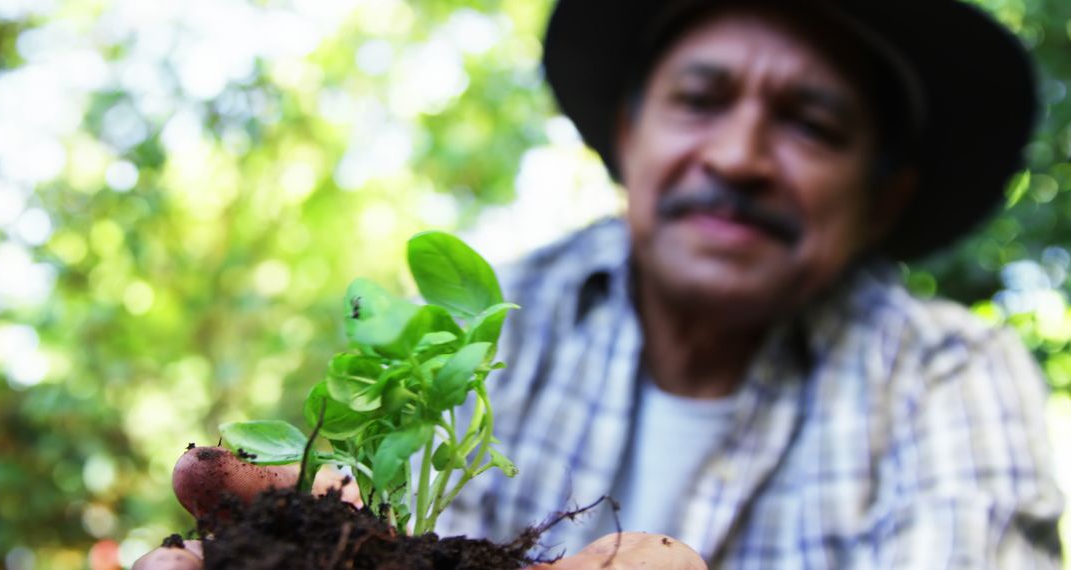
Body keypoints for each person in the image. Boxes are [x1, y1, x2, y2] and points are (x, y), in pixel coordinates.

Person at [137, 0, 1064, 567]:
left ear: (883, 194)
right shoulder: (510, 320)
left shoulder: (947, 371)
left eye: (811, 124)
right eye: (700, 100)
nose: (738, 156)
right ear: (628, 135)